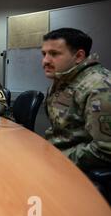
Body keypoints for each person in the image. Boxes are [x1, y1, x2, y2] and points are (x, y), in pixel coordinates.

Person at [42, 28, 111, 171]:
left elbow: (105, 150)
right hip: (57, 156)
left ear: (79, 56)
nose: (45, 61)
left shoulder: (99, 86)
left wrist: (56, 158)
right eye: (44, 54)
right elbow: (60, 131)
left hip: (82, 171)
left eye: (54, 54)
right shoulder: (62, 79)